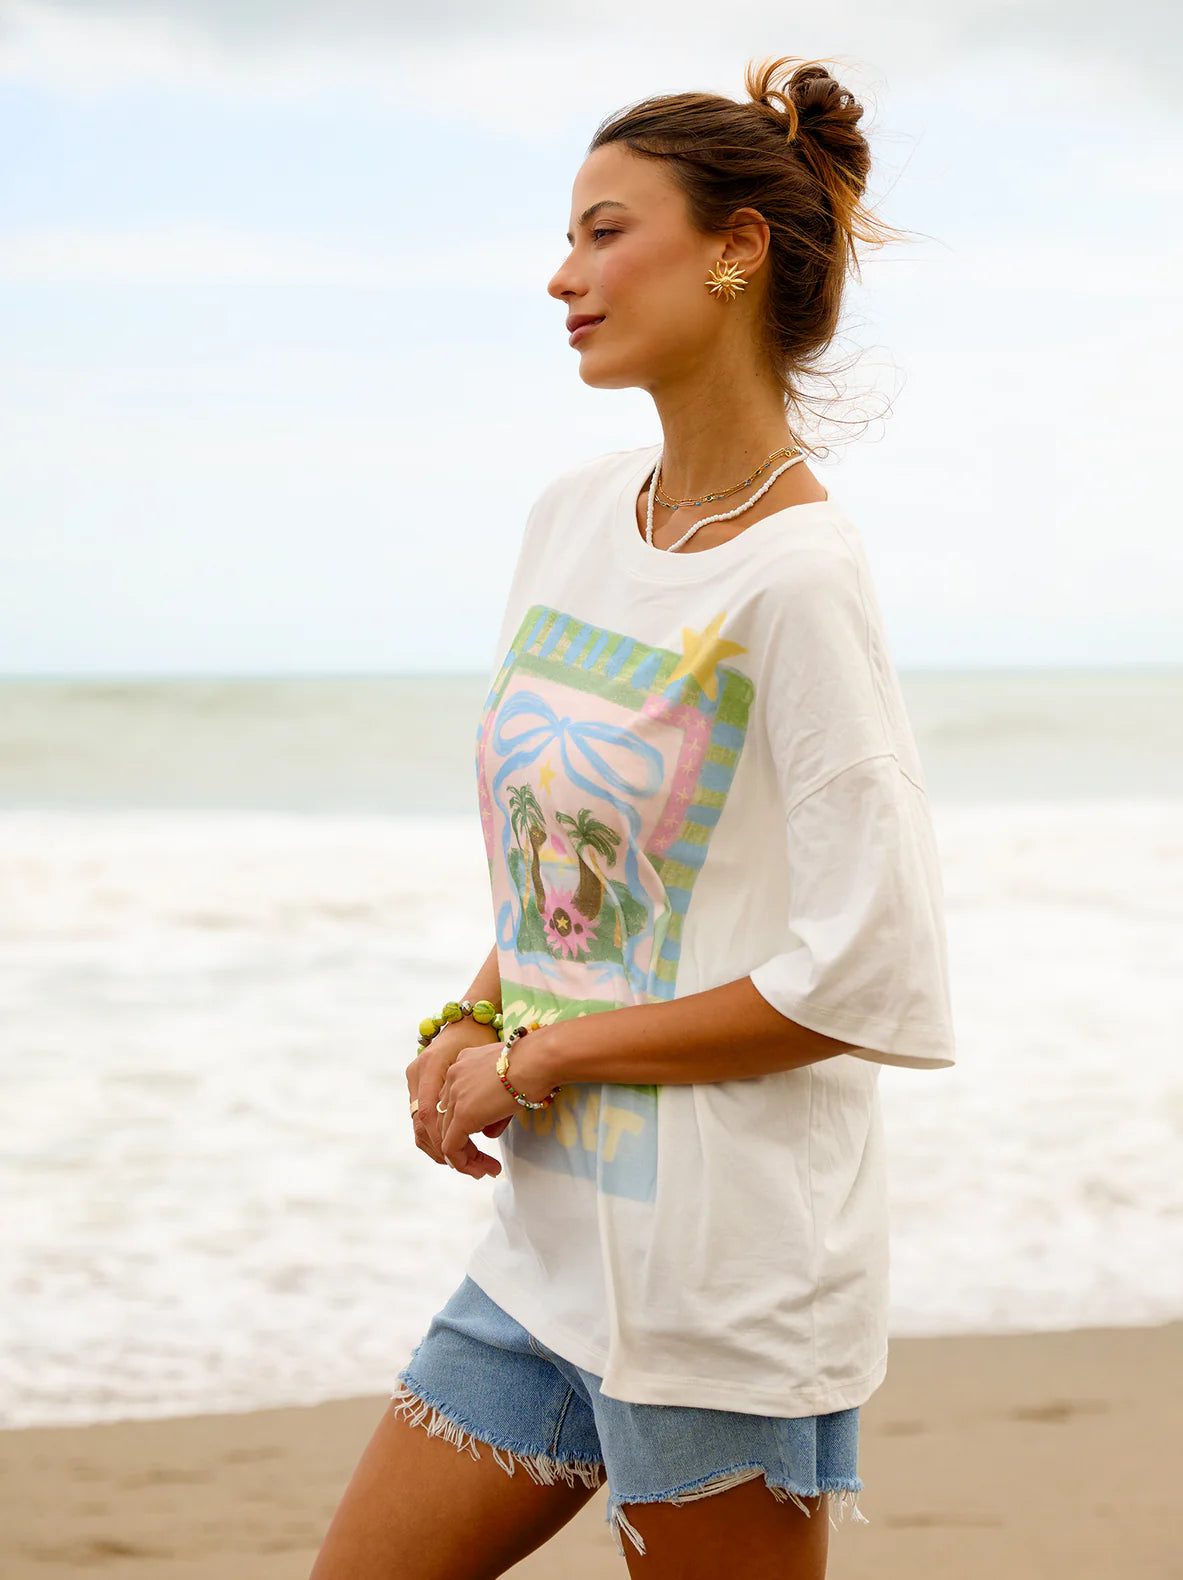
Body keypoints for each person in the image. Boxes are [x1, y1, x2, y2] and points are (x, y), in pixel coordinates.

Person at [311, 52, 956, 1580]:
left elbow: (862, 974)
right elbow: (576, 871)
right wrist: (469, 1016)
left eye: (605, 232)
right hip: (545, 1254)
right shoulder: (574, 518)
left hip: (720, 1283)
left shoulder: (797, 578)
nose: (563, 276)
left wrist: (536, 1059)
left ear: (734, 248)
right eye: (568, 237)